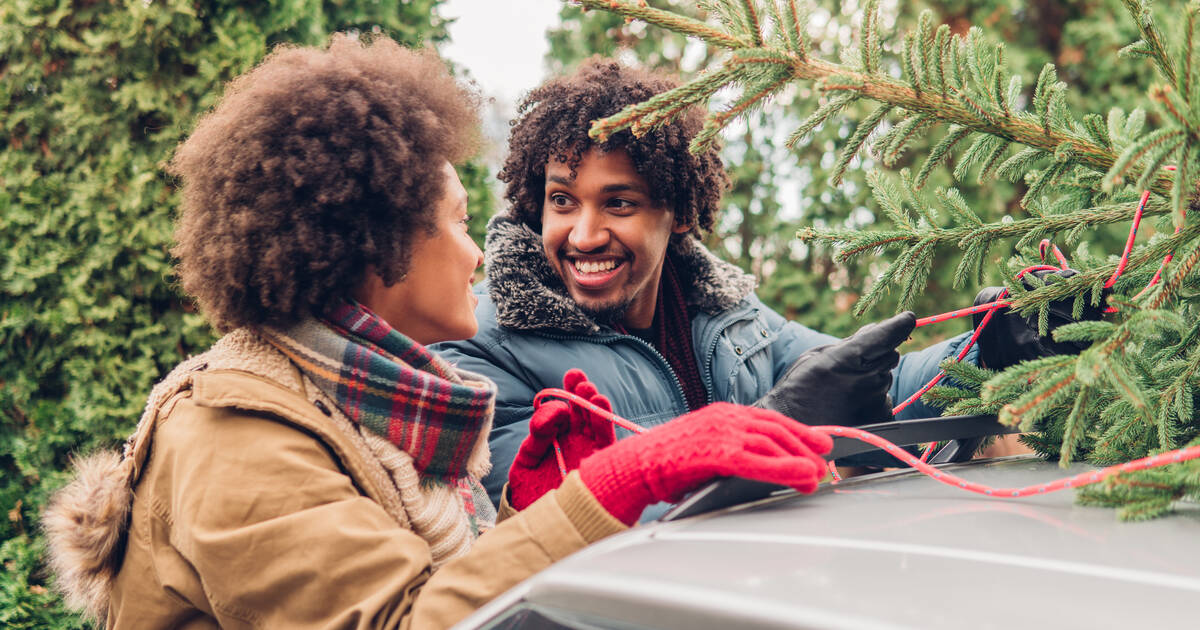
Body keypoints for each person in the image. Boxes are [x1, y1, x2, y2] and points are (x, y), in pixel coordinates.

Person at [41, 37, 832, 629]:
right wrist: (611, 488)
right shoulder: (238, 435)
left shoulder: (373, 401)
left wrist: (527, 511)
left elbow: (443, 581)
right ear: (377, 245)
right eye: (456, 225)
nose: (480, 252)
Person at [433, 58, 1088, 509]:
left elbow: (861, 388)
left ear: (678, 212)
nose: (583, 234)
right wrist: (772, 429)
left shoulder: (725, 315)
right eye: (563, 201)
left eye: (619, 204)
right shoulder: (481, 351)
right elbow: (552, 528)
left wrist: (987, 348)